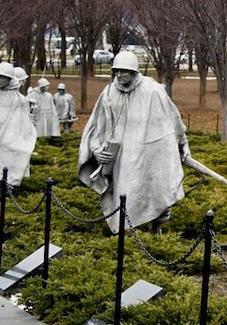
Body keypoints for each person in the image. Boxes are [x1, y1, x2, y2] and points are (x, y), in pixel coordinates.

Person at [79, 51, 198, 234]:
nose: (119, 75)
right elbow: (97, 125)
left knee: (156, 189)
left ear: (134, 72)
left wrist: (183, 144)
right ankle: (125, 234)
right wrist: (96, 150)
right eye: (116, 71)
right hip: (122, 157)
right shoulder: (110, 91)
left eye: (123, 71)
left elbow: (172, 120)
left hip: (150, 152)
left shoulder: (153, 91)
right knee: (124, 194)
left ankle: (155, 227)